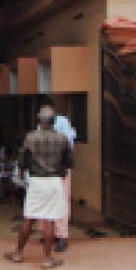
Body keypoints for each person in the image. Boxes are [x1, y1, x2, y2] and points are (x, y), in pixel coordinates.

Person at [4, 106, 74, 270]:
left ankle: (18, 253)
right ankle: (48, 258)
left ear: (40, 121)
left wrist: (22, 175)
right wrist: (61, 173)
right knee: (49, 220)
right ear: (54, 121)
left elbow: (22, 161)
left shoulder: (31, 137)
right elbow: (69, 162)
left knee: (29, 218)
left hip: (36, 182)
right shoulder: (62, 138)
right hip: (54, 182)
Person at [40, 102, 77, 253]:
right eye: (42, 114)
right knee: (46, 201)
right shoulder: (39, 128)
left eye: (47, 113)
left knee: (62, 201)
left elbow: (68, 143)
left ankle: (62, 236)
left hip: (60, 168)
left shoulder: (62, 122)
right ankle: (48, 234)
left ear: (53, 113)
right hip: (45, 170)